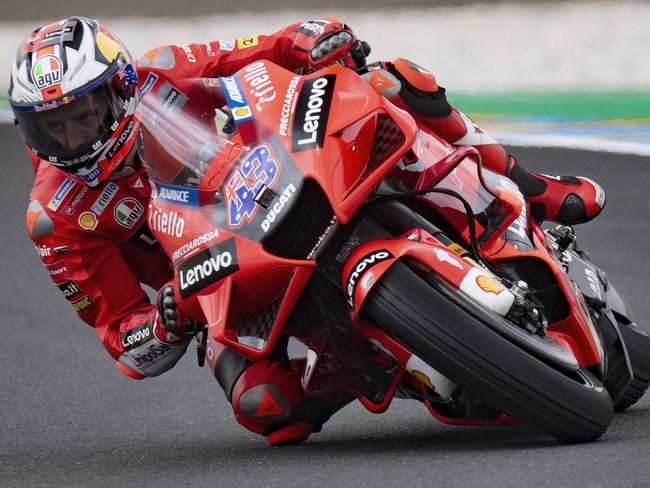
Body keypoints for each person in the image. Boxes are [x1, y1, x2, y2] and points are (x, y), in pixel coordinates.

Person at [10, 16, 605, 445]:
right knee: (266, 408)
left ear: (118, 88)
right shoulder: (53, 217)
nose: (71, 140)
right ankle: (375, 364)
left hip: (271, 168)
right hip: (217, 275)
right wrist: (163, 321)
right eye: (50, 128)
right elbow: (118, 332)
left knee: (394, 81)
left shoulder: (159, 70)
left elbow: (256, 49)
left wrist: (307, 38)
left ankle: (526, 184)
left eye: (81, 115)